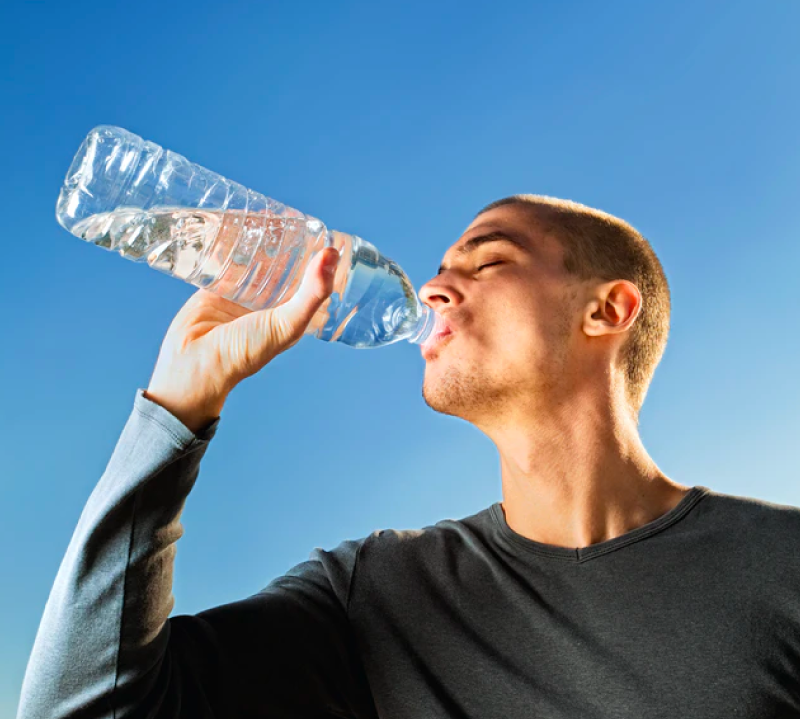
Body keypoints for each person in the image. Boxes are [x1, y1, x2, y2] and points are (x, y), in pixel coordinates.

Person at [17, 194, 800, 719]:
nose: (433, 290)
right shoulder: (377, 597)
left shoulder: (781, 565)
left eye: (485, 262)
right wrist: (174, 409)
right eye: (437, 273)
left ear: (608, 309)